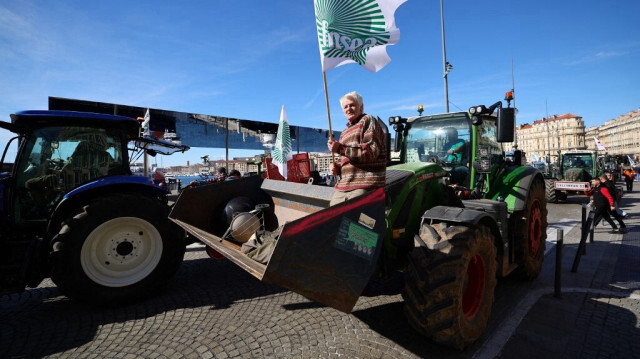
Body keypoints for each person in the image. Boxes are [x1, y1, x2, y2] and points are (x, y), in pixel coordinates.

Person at [327, 91, 386, 206]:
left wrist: (340, 148)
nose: (348, 109)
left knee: (350, 220)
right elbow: (345, 159)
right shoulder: (344, 132)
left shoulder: (368, 120)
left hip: (365, 185)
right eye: (345, 107)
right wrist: (337, 167)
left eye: (352, 105)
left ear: (361, 107)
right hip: (344, 186)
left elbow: (371, 152)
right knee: (332, 217)